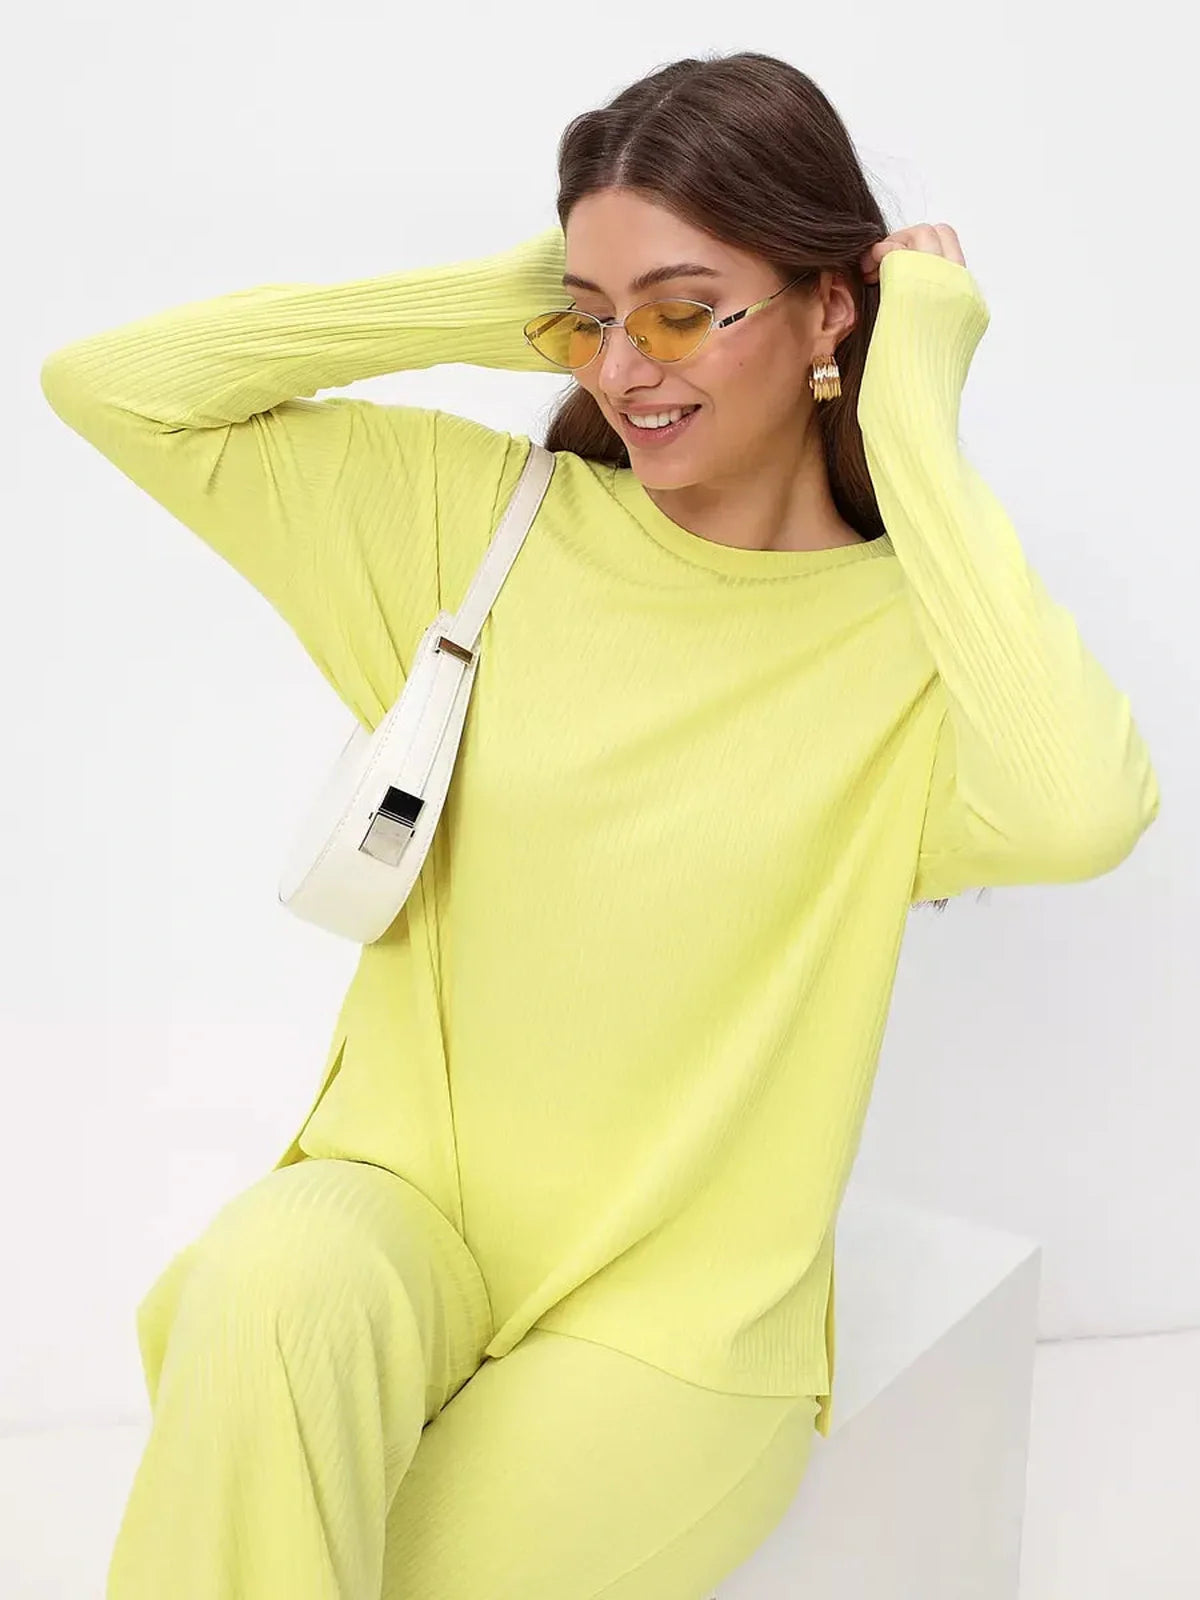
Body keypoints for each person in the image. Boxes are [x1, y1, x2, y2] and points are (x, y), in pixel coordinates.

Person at [40, 48, 1160, 1600]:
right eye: (594, 319)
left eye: (685, 311)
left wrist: (914, 414)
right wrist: (502, 298)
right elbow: (114, 389)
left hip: (677, 1322)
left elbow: (1084, 811)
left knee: (337, 1561)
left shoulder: (919, 646)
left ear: (828, 309)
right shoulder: (477, 528)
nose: (626, 370)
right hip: (399, 1212)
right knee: (263, 1287)